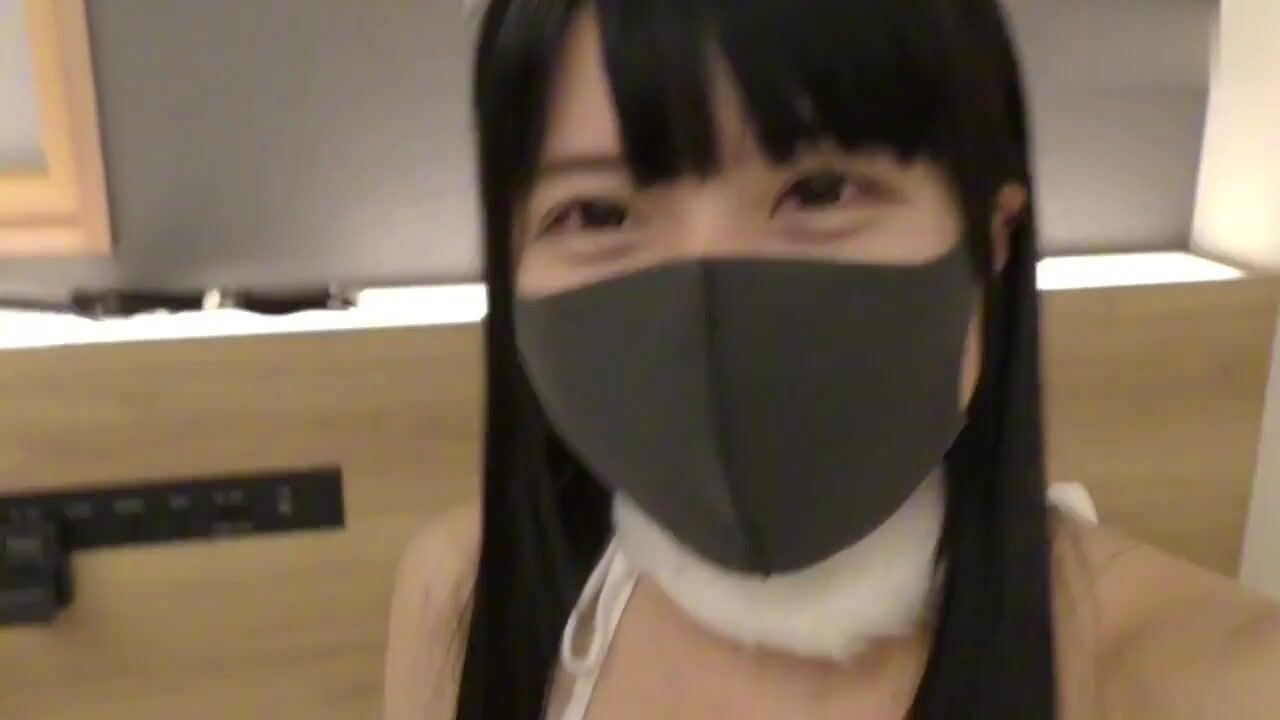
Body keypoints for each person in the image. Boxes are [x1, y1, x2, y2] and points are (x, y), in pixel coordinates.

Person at [385, 1, 1280, 718]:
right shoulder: (464, 596)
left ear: (993, 239)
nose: (707, 308)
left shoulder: (1198, 677)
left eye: (820, 190)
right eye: (597, 213)